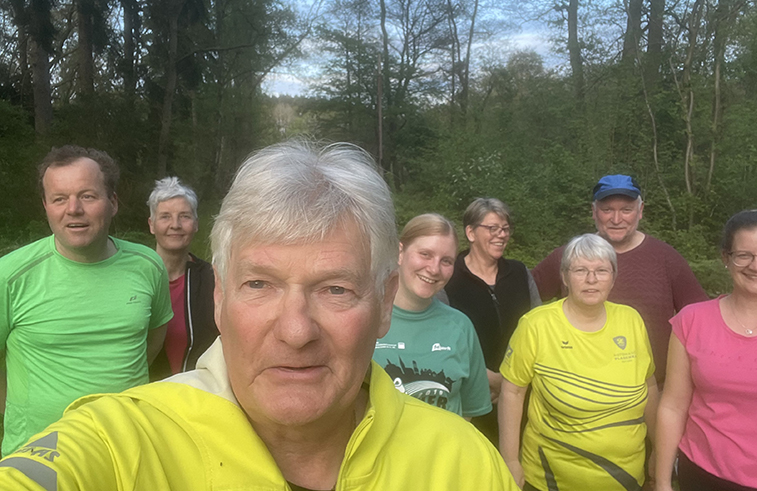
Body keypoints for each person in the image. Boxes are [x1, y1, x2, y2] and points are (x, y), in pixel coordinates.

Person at [0, 141, 518, 491]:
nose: (295, 331)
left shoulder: (463, 464)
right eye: (259, 285)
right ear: (220, 297)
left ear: (384, 303)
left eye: (335, 289)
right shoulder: (126, 439)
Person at [0, 145, 172, 455]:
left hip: (127, 448)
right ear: (46, 206)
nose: (73, 209)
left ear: (113, 202)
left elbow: (151, 342)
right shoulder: (10, 276)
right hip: (36, 457)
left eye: (88, 196)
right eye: (59, 199)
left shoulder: (149, 266)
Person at [655, 209, 757, 491]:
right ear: (726, 258)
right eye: (743, 255)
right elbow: (673, 406)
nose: (756, 266)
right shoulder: (691, 321)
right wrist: (661, 482)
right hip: (703, 475)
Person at [500, 233, 658, 491]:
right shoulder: (536, 325)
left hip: (626, 480)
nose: (591, 279)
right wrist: (509, 459)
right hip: (551, 480)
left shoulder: (631, 320)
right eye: (580, 270)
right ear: (565, 277)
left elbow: (649, 386)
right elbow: (512, 391)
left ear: (613, 277)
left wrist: (659, 449)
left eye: (601, 271)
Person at [532, 174, 707, 387]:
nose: (616, 219)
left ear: (640, 211)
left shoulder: (666, 258)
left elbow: (702, 321)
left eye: (626, 210)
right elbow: (519, 301)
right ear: (594, 211)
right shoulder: (567, 257)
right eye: (607, 210)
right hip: (575, 390)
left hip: (652, 390)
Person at [442, 197, 542, 444]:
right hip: (470, 399)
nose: (502, 235)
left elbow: (540, 329)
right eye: (493, 228)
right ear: (471, 233)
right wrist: (488, 379)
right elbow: (441, 338)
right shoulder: (449, 277)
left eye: (505, 229)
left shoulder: (520, 273)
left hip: (522, 393)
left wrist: (511, 383)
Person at [373, 213, 492, 419]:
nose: (434, 269)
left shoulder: (460, 327)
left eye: (446, 261)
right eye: (425, 254)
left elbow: (469, 413)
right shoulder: (366, 318)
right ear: (399, 252)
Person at [147, 177, 217, 380]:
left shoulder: (212, 279)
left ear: (195, 224)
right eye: (165, 217)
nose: (175, 225)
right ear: (152, 225)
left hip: (196, 390)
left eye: (184, 216)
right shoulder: (135, 278)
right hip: (145, 390)